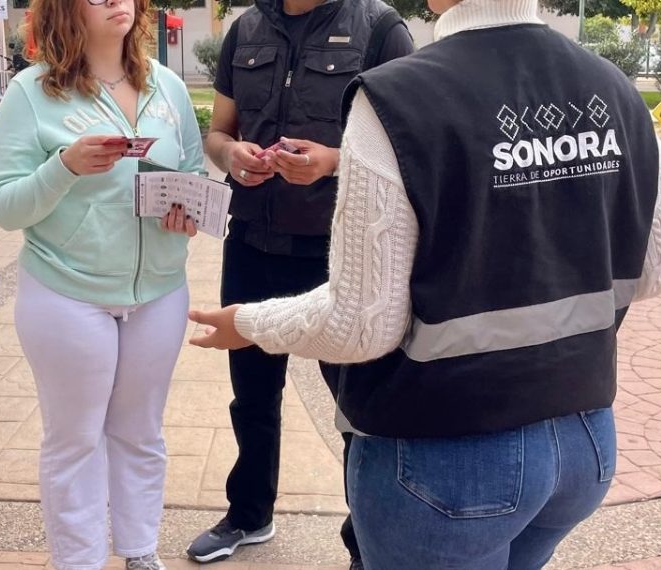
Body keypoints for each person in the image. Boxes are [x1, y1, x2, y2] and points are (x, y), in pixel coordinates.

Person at [187, 0, 661, 567]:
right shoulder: (611, 85)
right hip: (582, 441)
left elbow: (361, 325)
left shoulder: (397, 96)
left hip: (447, 458)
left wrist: (248, 323)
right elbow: (655, 269)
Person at [185, 0, 414, 565]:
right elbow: (218, 132)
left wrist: (334, 161)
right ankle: (249, 514)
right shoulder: (245, 30)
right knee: (253, 396)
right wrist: (232, 156)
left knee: (357, 408)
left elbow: (412, 144)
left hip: (339, 251)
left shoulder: (380, 29)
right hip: (252, 245)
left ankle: (368, 537)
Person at [0, 0, 204, 567]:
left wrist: (188, 206)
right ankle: (77, 560)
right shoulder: (31, 93)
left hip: (159, 290)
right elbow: (5, 207)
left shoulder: (168, 86)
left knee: (141, 432)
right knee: (75, 439)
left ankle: (139, 551)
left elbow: (196, 170)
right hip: (66, 291)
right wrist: (63, 167)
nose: (116, 1)